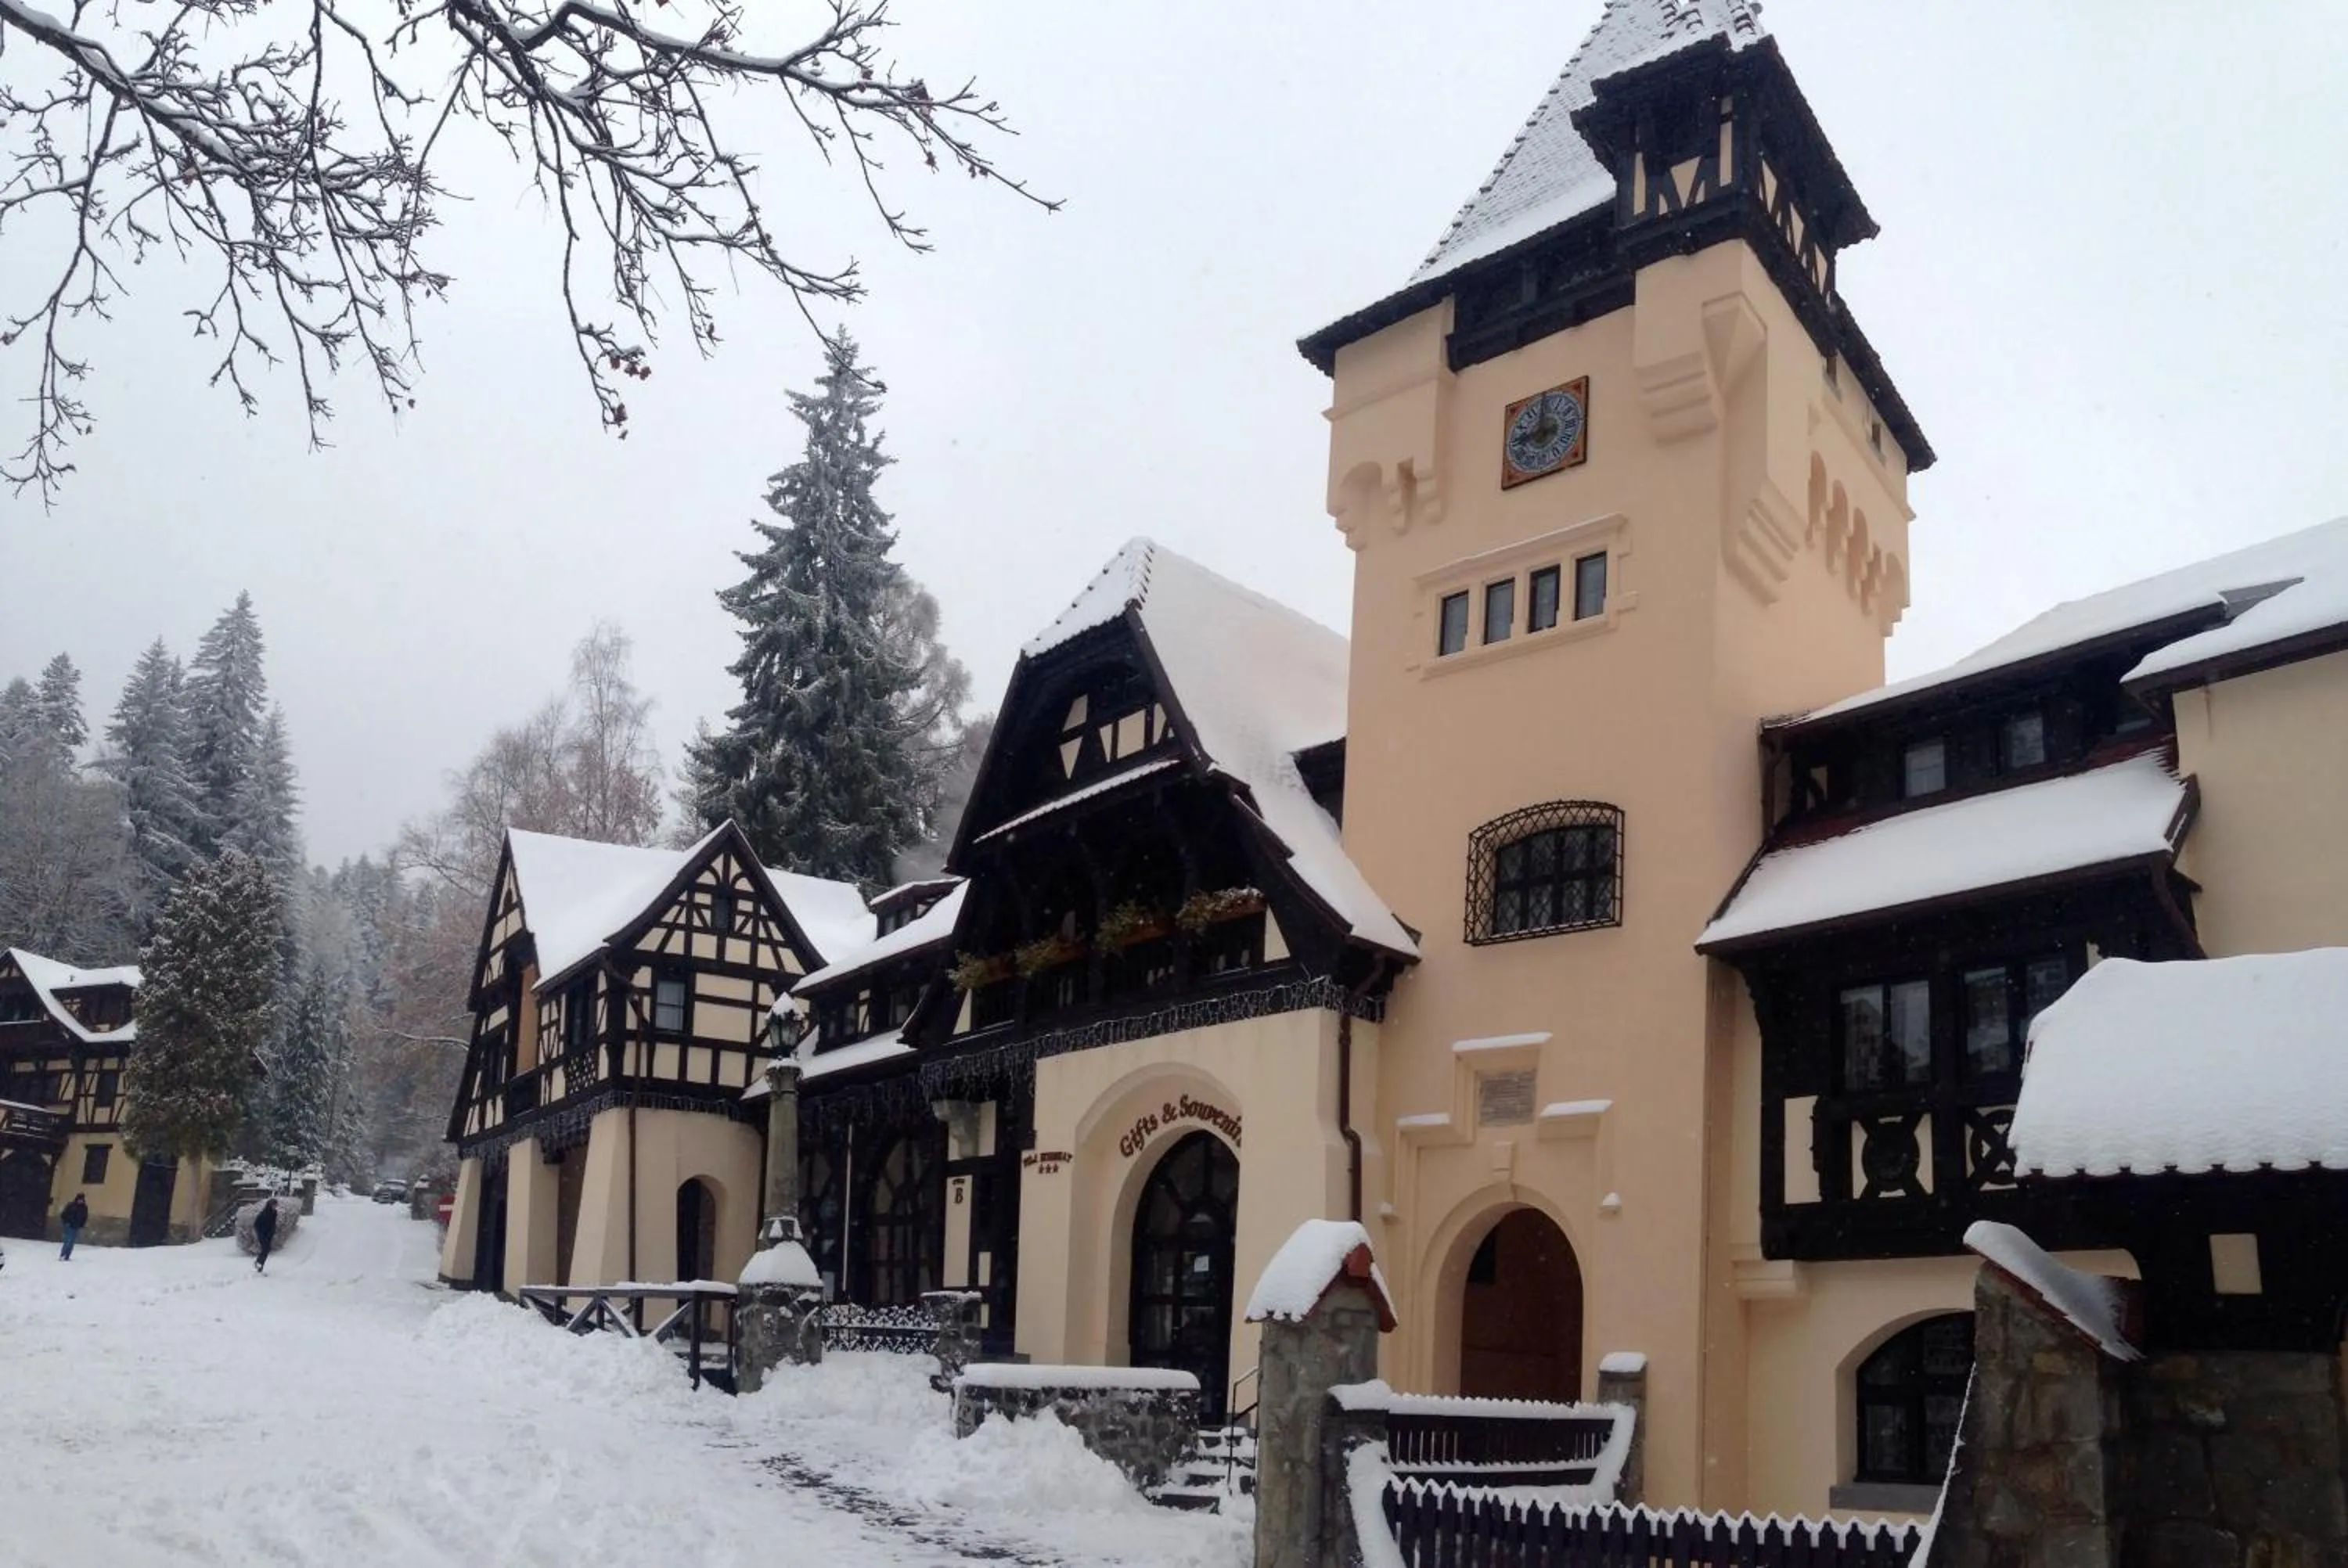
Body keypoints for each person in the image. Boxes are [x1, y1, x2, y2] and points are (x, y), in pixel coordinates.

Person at [252, 1196, 279, 1274]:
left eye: (276, 1205)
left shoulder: (275, 1213)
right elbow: (256, 1224)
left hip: (269, 1234)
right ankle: (259, 1263)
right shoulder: (264, 1213)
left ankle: (260, 1265)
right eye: (274, 1205)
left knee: (267, 1250)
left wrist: (273, 1231)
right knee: (265, 1249)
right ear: (270, 1205)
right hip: (262, 1234)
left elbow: (273, 1223)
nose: (275, 1207)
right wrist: (260, 1233)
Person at [58, 1192, 88, 1261]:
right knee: (67, 1241)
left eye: (82, 1200)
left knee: (71, 1242)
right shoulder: (71, 1206)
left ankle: (67, 1256)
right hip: (68, 1226)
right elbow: (64, 1214)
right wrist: (66, 1222)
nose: (80, 1201)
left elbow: (85, 1217)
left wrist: (82, 1224)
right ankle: (63, 1255)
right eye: (79, 1199)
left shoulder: (84, 1208)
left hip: (76, 1226)